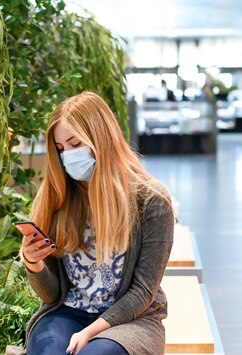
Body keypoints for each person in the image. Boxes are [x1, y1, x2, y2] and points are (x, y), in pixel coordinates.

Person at [20, 91, 174, 355]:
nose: (68, 155)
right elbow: (53, 295)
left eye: (75, 143)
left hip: (132, 321)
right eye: (60, 149)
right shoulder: (58, 197)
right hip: (67, 313)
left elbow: (142, 292)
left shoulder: (151, 200)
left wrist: (90, 332)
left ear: (101, 138)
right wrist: (33, 264)